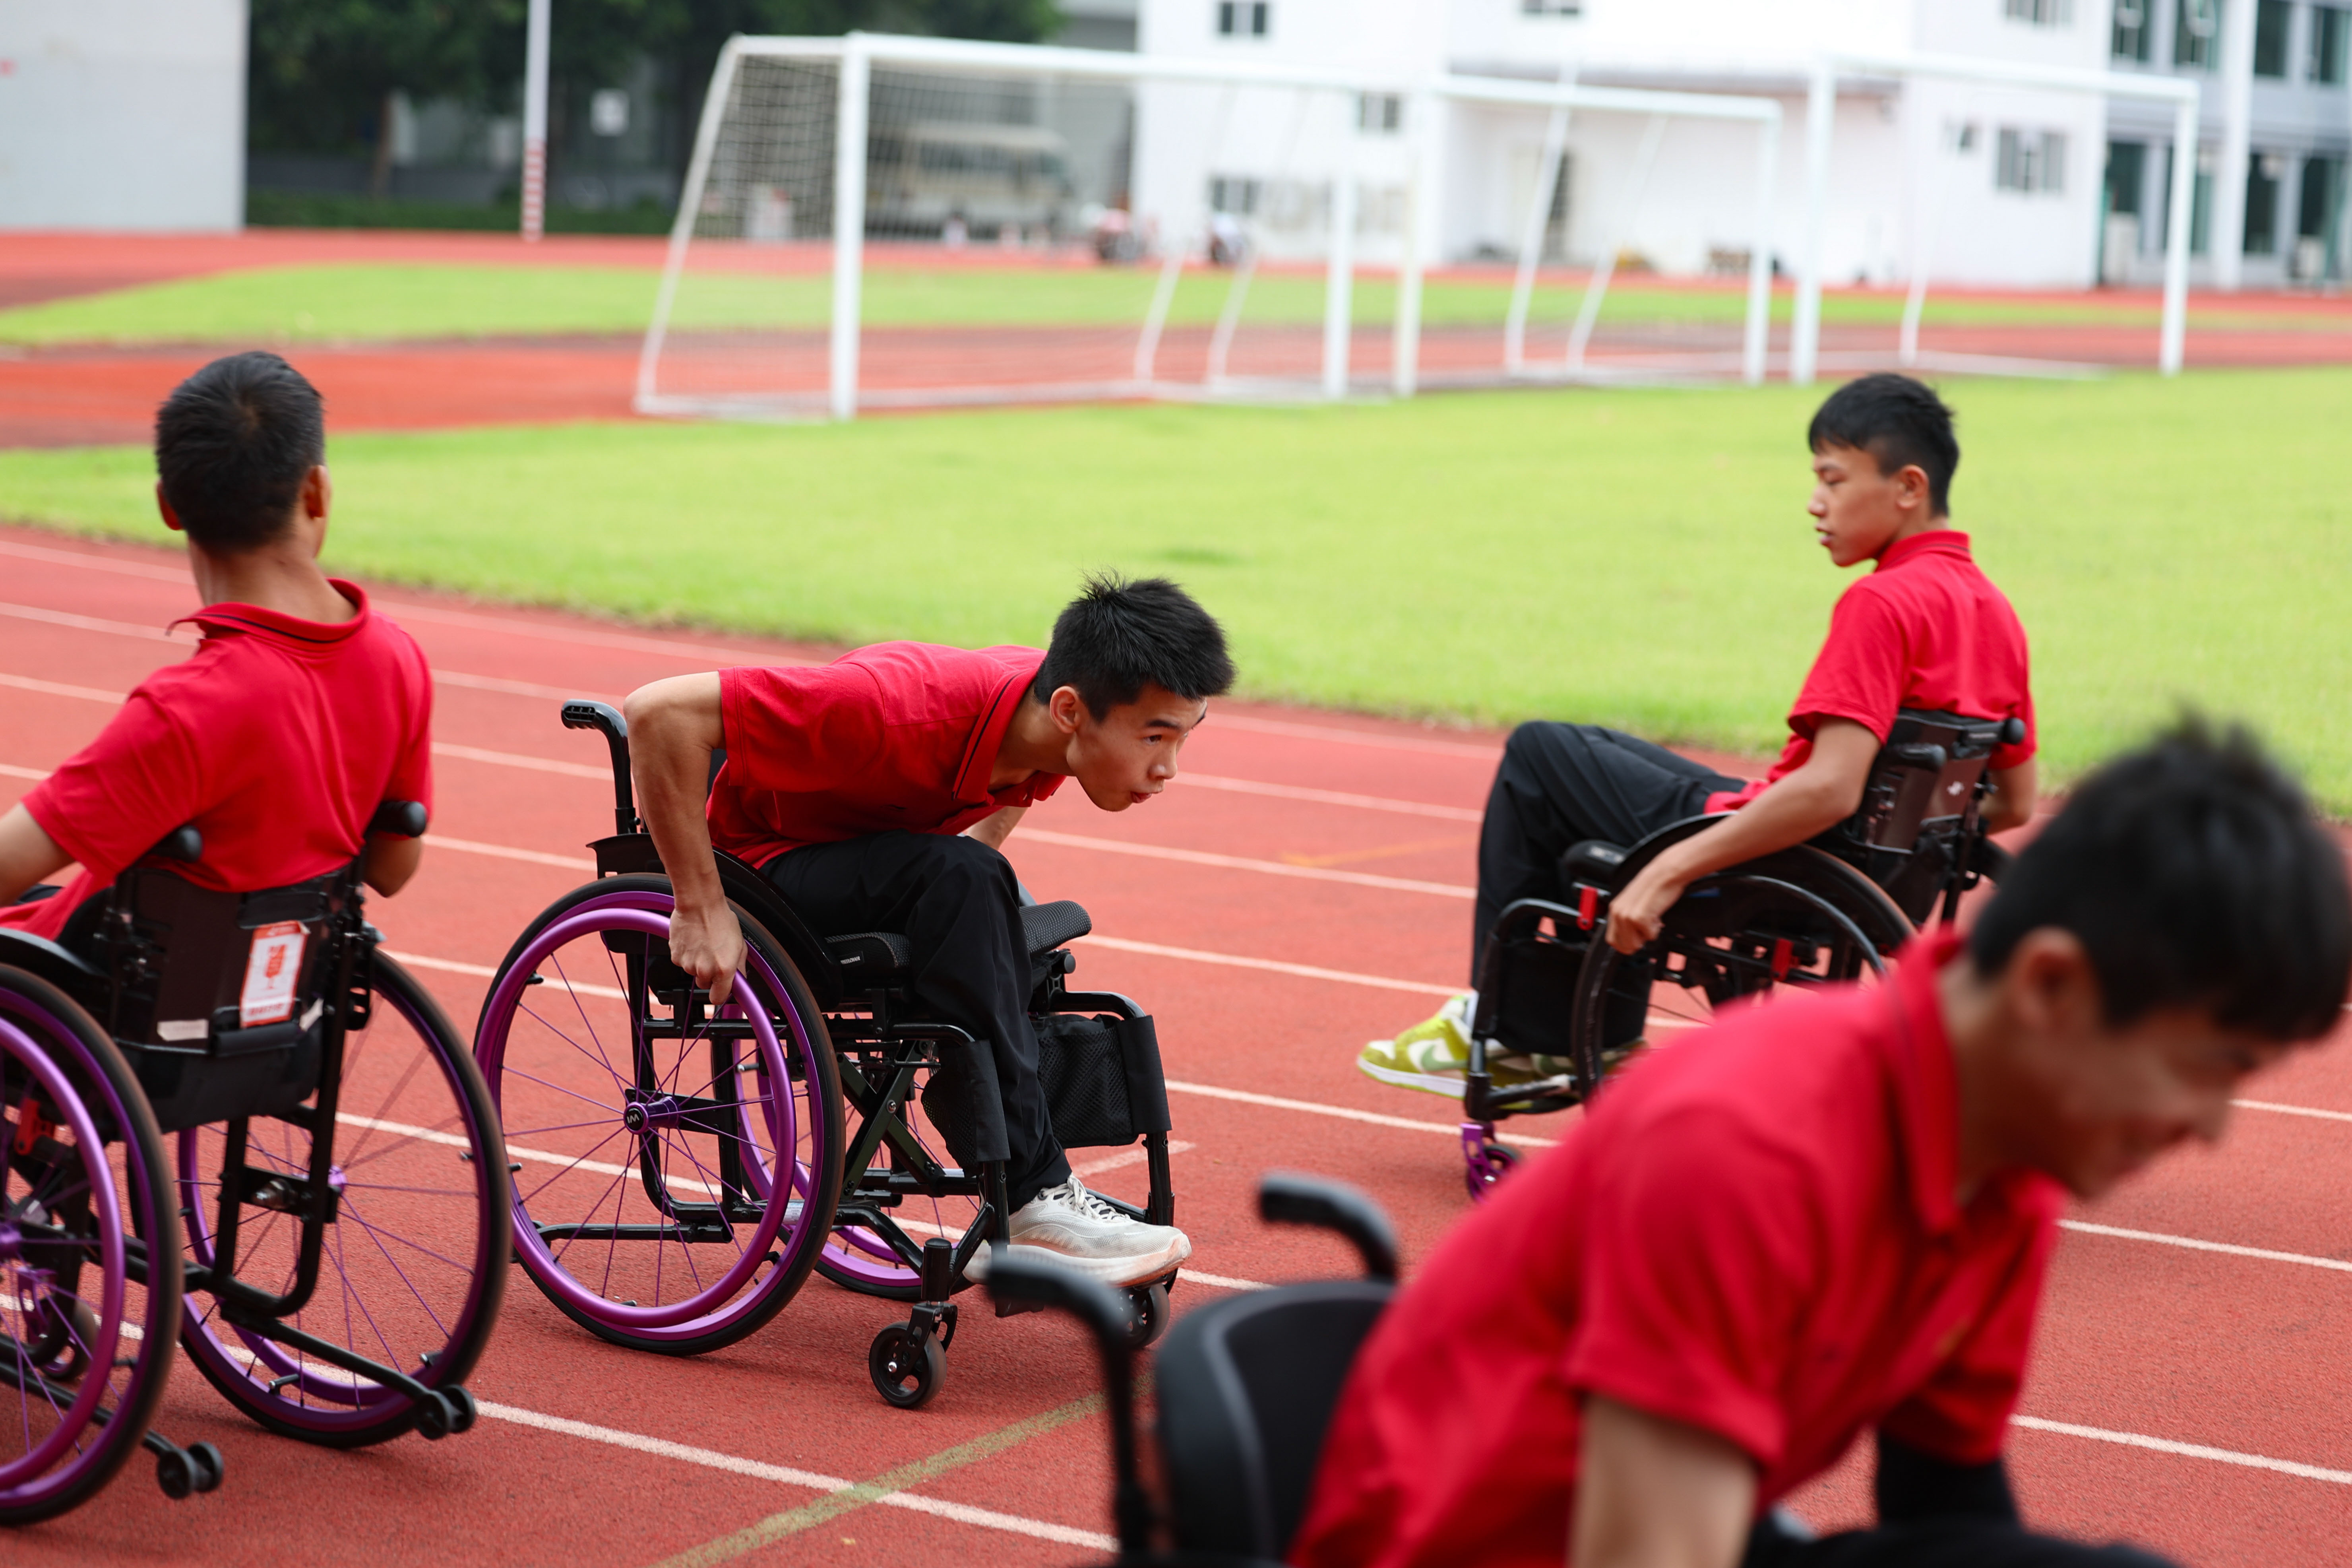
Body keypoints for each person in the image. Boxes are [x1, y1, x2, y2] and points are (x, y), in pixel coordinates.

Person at [1293, 721, 2352, 1568]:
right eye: (2208, 1067)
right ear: (2048, 988)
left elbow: (1943, 1506)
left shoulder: (2002, 1154)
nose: (2209, 1130)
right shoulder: (1745, 1149)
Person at [1359, 372, 2038, 1098]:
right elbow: (2013, 802)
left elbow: (1832, 786)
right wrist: (1904, 839)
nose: (1815, 503)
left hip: (1790, 860)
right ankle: (1581, 1032)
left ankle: (1506, 1031)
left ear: (1908, 486)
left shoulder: (1882, 601)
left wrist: (1670, 868)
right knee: (1585, 753)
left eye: (1832, 480)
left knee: (1538, 755)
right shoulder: (1992, 607)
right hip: (1867, 872)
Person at [623, 575, 1234, 1286]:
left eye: (1182, 738)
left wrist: (978, 933)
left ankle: (1040, 1184)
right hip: (761, 864)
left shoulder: (1046, 723)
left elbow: (1004, 803)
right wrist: (700, 905)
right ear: (1070, 710)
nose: (1167, 769)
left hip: (870, 850)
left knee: (991, 899)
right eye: (1153, 737)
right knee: (965, 878)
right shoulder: (891, 707)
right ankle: (1031, 1195)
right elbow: (655, 712)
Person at [0, 350, 431, 931]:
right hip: (286, 996)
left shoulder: (187, 711)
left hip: (89, 991)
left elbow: (9, 862)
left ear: (168, 505)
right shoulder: (396, 658)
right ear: (317, 493)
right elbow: (393, 867)